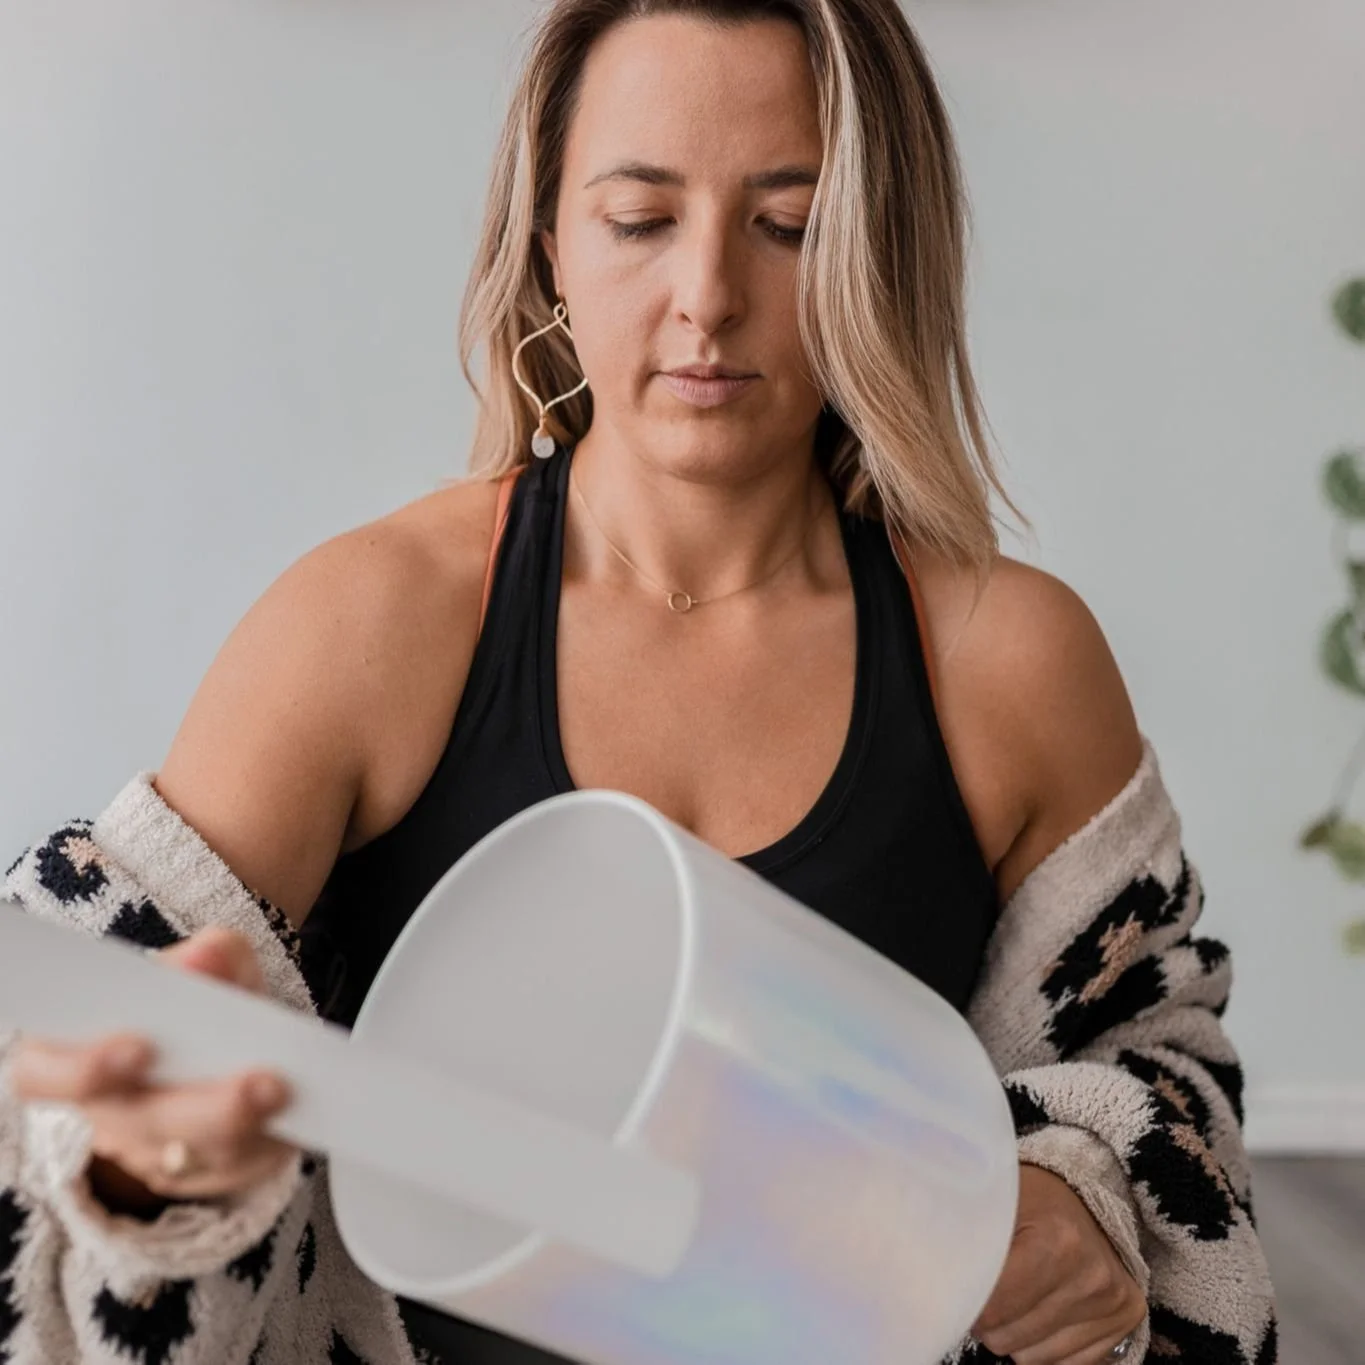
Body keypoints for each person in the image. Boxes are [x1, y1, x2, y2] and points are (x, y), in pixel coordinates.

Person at [0, 2, 1277, 1363]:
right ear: (550, 240)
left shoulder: (1008, 663)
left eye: (787, 223)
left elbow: (1164, 1072)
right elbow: (80, 1041)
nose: (709, 297)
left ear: (876, 249)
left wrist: (1078, 1196)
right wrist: (146, 1178)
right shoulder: (376, 626)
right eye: (639, 217)